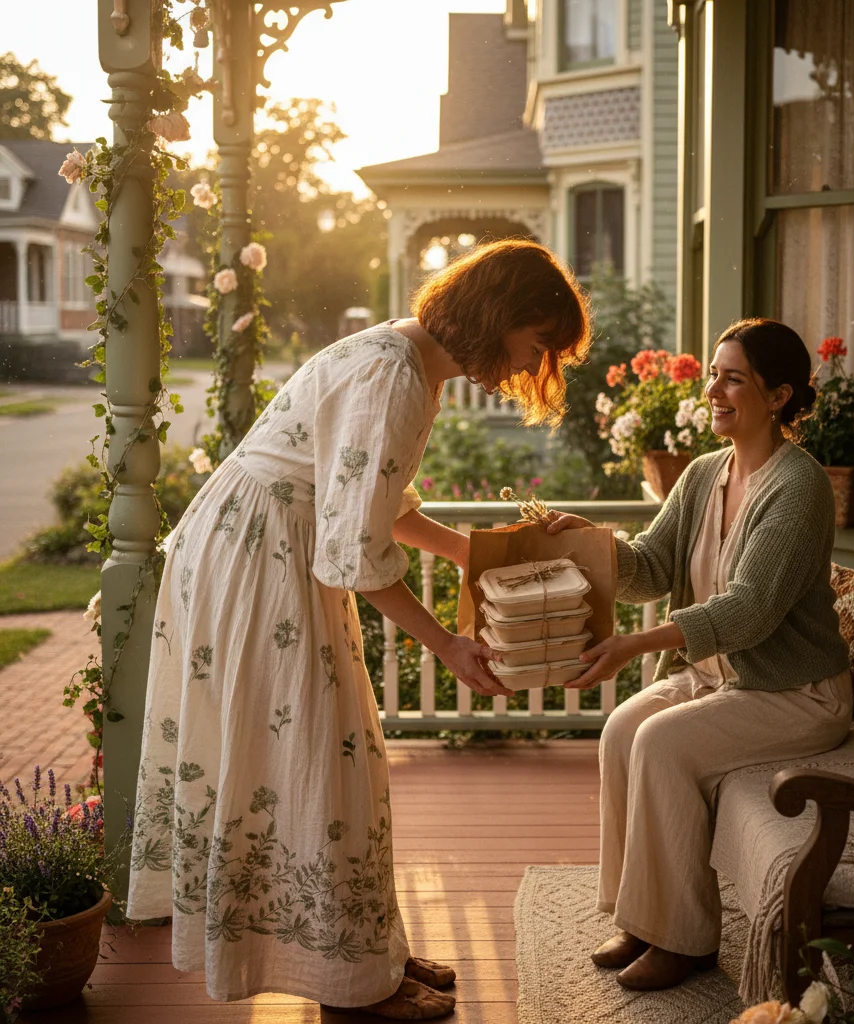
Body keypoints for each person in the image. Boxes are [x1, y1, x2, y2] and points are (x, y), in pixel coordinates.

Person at [126, 240, 590, 1019]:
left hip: (263, 543)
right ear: (501, 314)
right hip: (261, 556)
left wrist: (475, 555)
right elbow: (357, 553)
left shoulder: (408, 361)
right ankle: (351, 984)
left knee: (337, 754)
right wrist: (448, 645)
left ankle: (368, 954)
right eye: (536, 343)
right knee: (319, 756)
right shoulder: (394, 376)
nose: (530, 366)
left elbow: (378, 506)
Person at [546, 317, 852, 991]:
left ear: (778, 396)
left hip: (795, 692)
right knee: (621, 729)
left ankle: (683, 940)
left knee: (662, 743)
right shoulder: (702, 473)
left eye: (732, 379)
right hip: (718, 679)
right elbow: (651, 567)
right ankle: (639, 915)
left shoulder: (799, 488)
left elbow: (749, 610)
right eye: (713, 375)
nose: (712, 390)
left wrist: (634, 644)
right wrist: (590, 542)